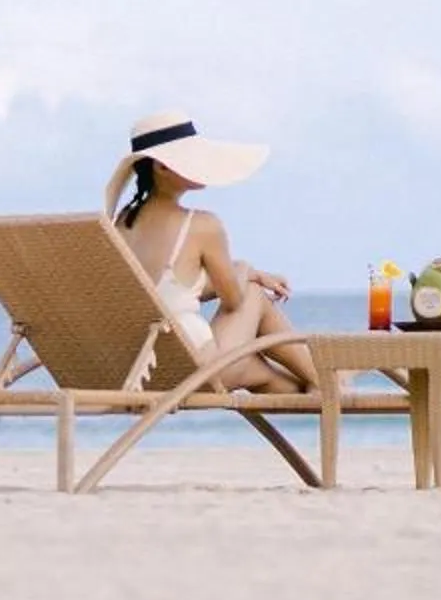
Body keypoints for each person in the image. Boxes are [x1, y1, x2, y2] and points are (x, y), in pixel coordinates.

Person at [99, 110, 312, 392]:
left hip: (153, 370)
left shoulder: (123, 223)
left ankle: (320, 387)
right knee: (254, 297)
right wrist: (246, 269)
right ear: (161, 168)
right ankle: (325, 380)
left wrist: (253, 274)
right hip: (196, 371)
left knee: (268, 375)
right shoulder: (202, 225)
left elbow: (172, 291)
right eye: (189, 157)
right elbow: (234, 300)